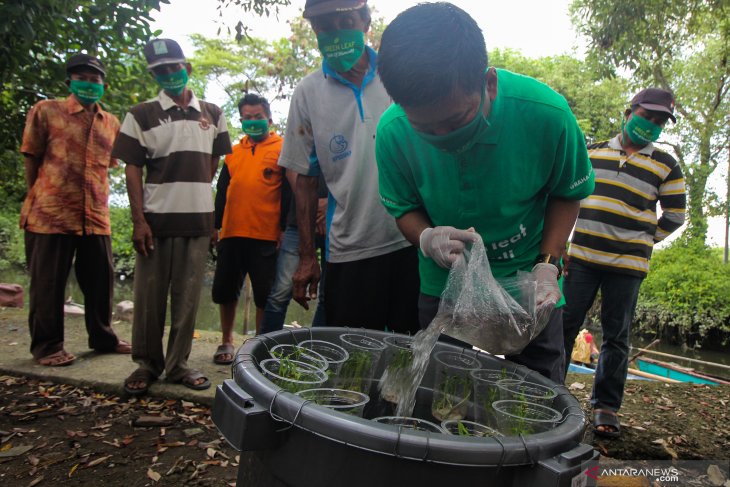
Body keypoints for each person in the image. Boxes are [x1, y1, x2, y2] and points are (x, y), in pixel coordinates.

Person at [375, 2, 595, 383]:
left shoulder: (547, 115)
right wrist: (427, 238)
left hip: (530, 281)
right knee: (439, 389)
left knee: (536, 394)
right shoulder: (393, 132)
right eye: (424, 126)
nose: (443, 139)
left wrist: (548, 263)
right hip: (445, 284)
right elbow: (403, 207)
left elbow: (566, 192)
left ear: (488, 82)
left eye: (455, 121)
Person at [278, 0, 420, 334]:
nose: (333, 32)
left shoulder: (400, 76)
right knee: (353, 359)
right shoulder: (308, 93)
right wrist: (307, 257)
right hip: (350, 249)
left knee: (414, 354)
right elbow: (303, 179)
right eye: (322, 25)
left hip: (416, 241)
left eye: (343, 21)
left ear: (366, 22)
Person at [562, 88, 686, 438]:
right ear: (629, 112)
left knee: (617, 335)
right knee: (565, 323)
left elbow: (675, 215)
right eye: (647, 117)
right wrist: (561, 245)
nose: (652, 125)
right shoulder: (592, 153)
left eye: (660, 121)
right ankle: (550, 387)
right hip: (582, 258)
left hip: (628, 266)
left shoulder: (665, 164)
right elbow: (567, 197)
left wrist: (645, 239)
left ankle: (605, 406)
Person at [112, 39, 232, 395]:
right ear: (154, 75)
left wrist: (199, 203)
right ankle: (147, 364)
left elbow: (213, 163)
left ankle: (178, 364)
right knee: (149, 298)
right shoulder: (140, 114)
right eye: (160, 70)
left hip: (196, 222)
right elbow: (132, 169)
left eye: (174, 68)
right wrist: (138, 220)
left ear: (187, 68)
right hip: (155, 221)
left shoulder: (212, 112)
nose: (169, 75)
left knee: (188, 297)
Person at [19, 52, 131, 367]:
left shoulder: (110, 122)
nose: (88, 84)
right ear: (70, 81)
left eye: (95, 80)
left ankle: (103, 337)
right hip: (50, 213)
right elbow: (31, 156)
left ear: (103, 85)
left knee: (101, 279)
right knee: (48, 283)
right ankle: (47, 347)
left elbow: (107, 166)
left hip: (95, 214)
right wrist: (39, 195)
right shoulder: (46, 111)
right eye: (82, 78)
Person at [212, 93, 287, 363]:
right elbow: (222, 193)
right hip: (231, 233)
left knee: (264, 295)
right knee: (225, 289)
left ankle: (257, 345)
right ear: (241, 120)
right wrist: (215, 226)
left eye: (258, 117)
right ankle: (226, 342)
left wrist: (283, 229)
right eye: (247, 118)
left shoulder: (282, 148)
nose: (253, 122)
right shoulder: (233, 153)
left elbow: (288, 193)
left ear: (268, 118)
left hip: (266, 235)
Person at [259, 174, 328, 335]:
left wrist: (330, 203)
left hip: (335, 219)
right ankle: (264, 349)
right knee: (280, 293)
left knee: (329, 295)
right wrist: (313, 204)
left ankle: (318, 352)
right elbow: (293, 172)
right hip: (298, 222)